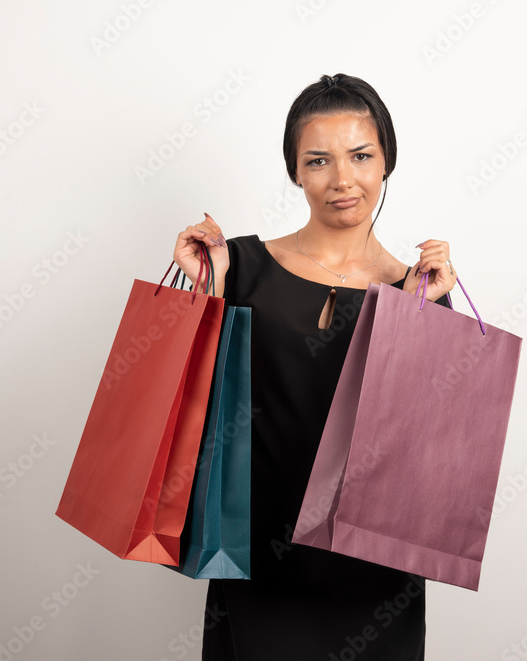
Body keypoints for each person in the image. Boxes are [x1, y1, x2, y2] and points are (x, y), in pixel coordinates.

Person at [172, 73, 457, 660]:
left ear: (387, 163)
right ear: (295, 171)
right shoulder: (241, 265)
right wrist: (206, 291)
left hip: (374, 571)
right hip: (255, 558)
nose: (342, 179)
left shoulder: (417, 292)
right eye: (319, 160)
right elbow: (187, 406)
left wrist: (427, 315)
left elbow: (430, 453)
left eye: (361, 156)